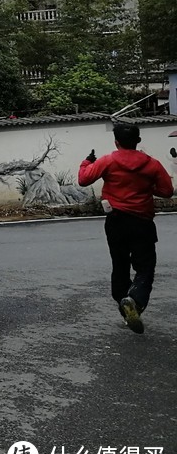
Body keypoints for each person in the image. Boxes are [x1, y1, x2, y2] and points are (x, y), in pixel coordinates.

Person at [78, 123, 173, 334]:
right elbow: (167, 191)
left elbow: (84, 180)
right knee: (145, 267)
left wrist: (86, 162)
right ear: (138, 141)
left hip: (116, 221)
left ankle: (124, 301)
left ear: (116, 142)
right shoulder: (152, 164)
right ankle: (135, 300)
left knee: (119, 264)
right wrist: (148, 187)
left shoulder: (107, 161)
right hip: (142, 222)